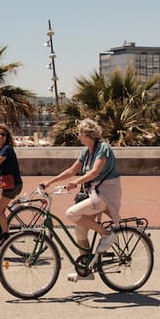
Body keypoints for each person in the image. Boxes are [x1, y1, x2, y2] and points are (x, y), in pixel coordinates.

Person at [40, 118, 122, 276]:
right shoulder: (86, 151)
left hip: (106, 193)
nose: (78, 136)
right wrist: (49, 182)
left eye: (79, 133)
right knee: (79, 231)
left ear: (87, 134)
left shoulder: (103, 148)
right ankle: (85, 269)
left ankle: (107, 234)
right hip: (93, 192)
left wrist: (75, 182)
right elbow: (72, 170)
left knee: (71, 213)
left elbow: (95, 172)